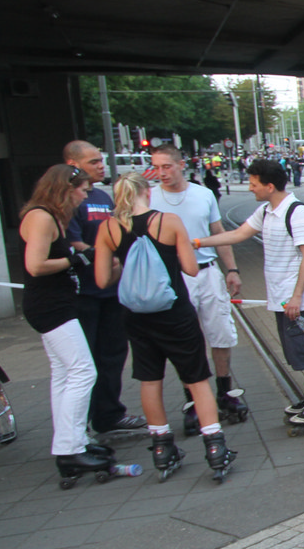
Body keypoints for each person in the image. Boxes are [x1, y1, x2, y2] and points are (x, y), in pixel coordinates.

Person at [95, 173, 236, 482]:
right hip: (175, 313)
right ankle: (214, 446)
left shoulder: (108, 228)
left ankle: (161, 448)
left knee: (149, 379)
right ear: (147, 192)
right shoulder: (168, 221)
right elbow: (190, 268)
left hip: (136, 317)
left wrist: (127, 268)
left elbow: (102, 279)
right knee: (197, 378)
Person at [193, 159, 304, 432]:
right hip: (282, 298)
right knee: (299, 351)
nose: (250, 188)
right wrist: (198, 242)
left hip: (301, 300)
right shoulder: (266, 211)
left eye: (253, 184)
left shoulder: (297, 213)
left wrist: (296, 297)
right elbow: (238, 235)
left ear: (269, 186)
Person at [20, 165, 111, 485]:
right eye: (82, 190)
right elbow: (35, 265)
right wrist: (73, 259)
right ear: (66, 188)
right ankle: (71, 447)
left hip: (56, 302)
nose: (85, 196)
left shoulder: (51, 216)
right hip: (50, 305)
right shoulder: (42, 217)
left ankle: (70, 443)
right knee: (83, 371)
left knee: (63, 373)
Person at [148, 144, 250, 432]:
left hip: (206, 271)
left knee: (221, 333)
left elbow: (219, 233)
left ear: (181, 165)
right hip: (171, 276)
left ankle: (224, 392)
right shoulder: (149, 197)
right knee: (186, 339)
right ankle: (192, 400)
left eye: (166, 166)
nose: (161, 173)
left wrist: (232, 270)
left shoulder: (203, 195)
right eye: (156, 167)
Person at [62, 142, 145, 437]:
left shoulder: (101, 196)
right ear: (73, 165)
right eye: (94, 162)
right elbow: (73, 242)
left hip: (111, 292)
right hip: (83, 294)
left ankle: (109, 415)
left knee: (113, 354)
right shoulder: (70, 200)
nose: (101, 166)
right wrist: (106, 256)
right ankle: (79, 426)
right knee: (84, 362)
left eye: (101, 160)